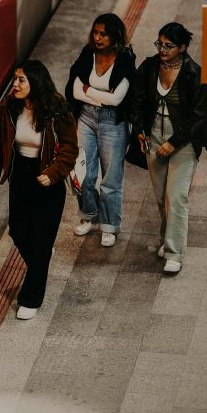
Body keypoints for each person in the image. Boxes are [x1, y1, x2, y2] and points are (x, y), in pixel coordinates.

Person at [0, 60, 78, 319]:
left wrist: (53, 173)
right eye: (15, 79)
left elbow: (70, 148)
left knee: (42, 237)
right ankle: (42, 256)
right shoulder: (8, 108)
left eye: (21, 80)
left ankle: (31, 298)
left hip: (47, 179)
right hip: (20, 176)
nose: (15, 84)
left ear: (36, 82)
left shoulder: (57, 110)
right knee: (18, 229)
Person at [130, 22, 207, 274]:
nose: (162, 49)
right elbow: (136, 102)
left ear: (183, 47)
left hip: (184, 141)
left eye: (169, 45)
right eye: (160, 44)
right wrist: (140, 131)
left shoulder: (194, 74)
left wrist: (173, 143)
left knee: (176, 196)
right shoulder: (149, 67)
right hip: (153, 137)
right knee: (160, 197)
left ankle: (175, 252)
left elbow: (197, 116)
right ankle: (166, 240)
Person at [65, 13, 136, 247]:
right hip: (85, 118)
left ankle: (109, 225)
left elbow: (117, 100)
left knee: (110, 180)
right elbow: (74, 90)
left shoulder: (125, 59)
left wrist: (89, 91)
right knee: (83, 173)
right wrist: (99, 96)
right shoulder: (88, 54)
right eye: (95, 32)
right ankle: (89, 214)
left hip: (113, 123)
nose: (97, 37)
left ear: (114, 35)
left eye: (103, 34)